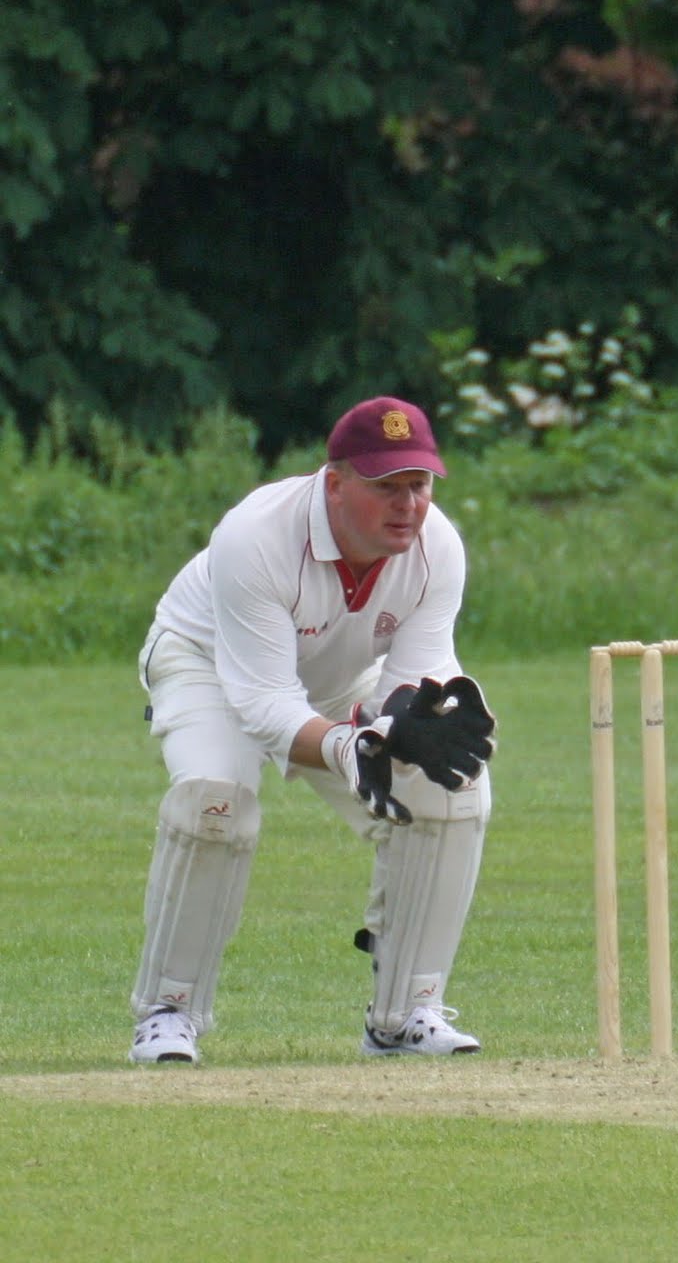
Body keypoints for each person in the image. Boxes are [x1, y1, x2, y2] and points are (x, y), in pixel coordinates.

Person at [129, 396, 497, 1064]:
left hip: (339, 676)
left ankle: (404, 1014)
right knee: (217, 802)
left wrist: (405, 729)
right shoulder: (257, 535)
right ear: (335, 483)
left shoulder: (437, 546)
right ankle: (168, 1011)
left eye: (418, 485)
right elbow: (263, 701)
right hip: (210, 665)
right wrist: (348, 747)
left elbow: (411, 679)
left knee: (454, 790)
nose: (407, 505)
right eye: (386, 487)